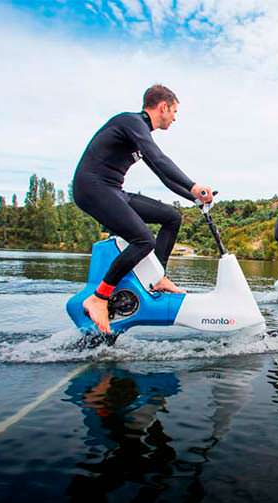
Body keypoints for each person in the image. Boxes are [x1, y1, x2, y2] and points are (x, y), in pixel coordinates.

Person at [72, 84, 213, 334]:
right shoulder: (131, 122)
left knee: (171, 217)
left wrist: (194, 199)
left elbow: (164, 176)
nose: (175, 118)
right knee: (143, 240)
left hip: (114, 190)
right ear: (163, 107)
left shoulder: (139, 134)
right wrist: (194, 186)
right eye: (174, 111)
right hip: (92, 188)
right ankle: (99, 297)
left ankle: (156, 278)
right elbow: (160, 159)